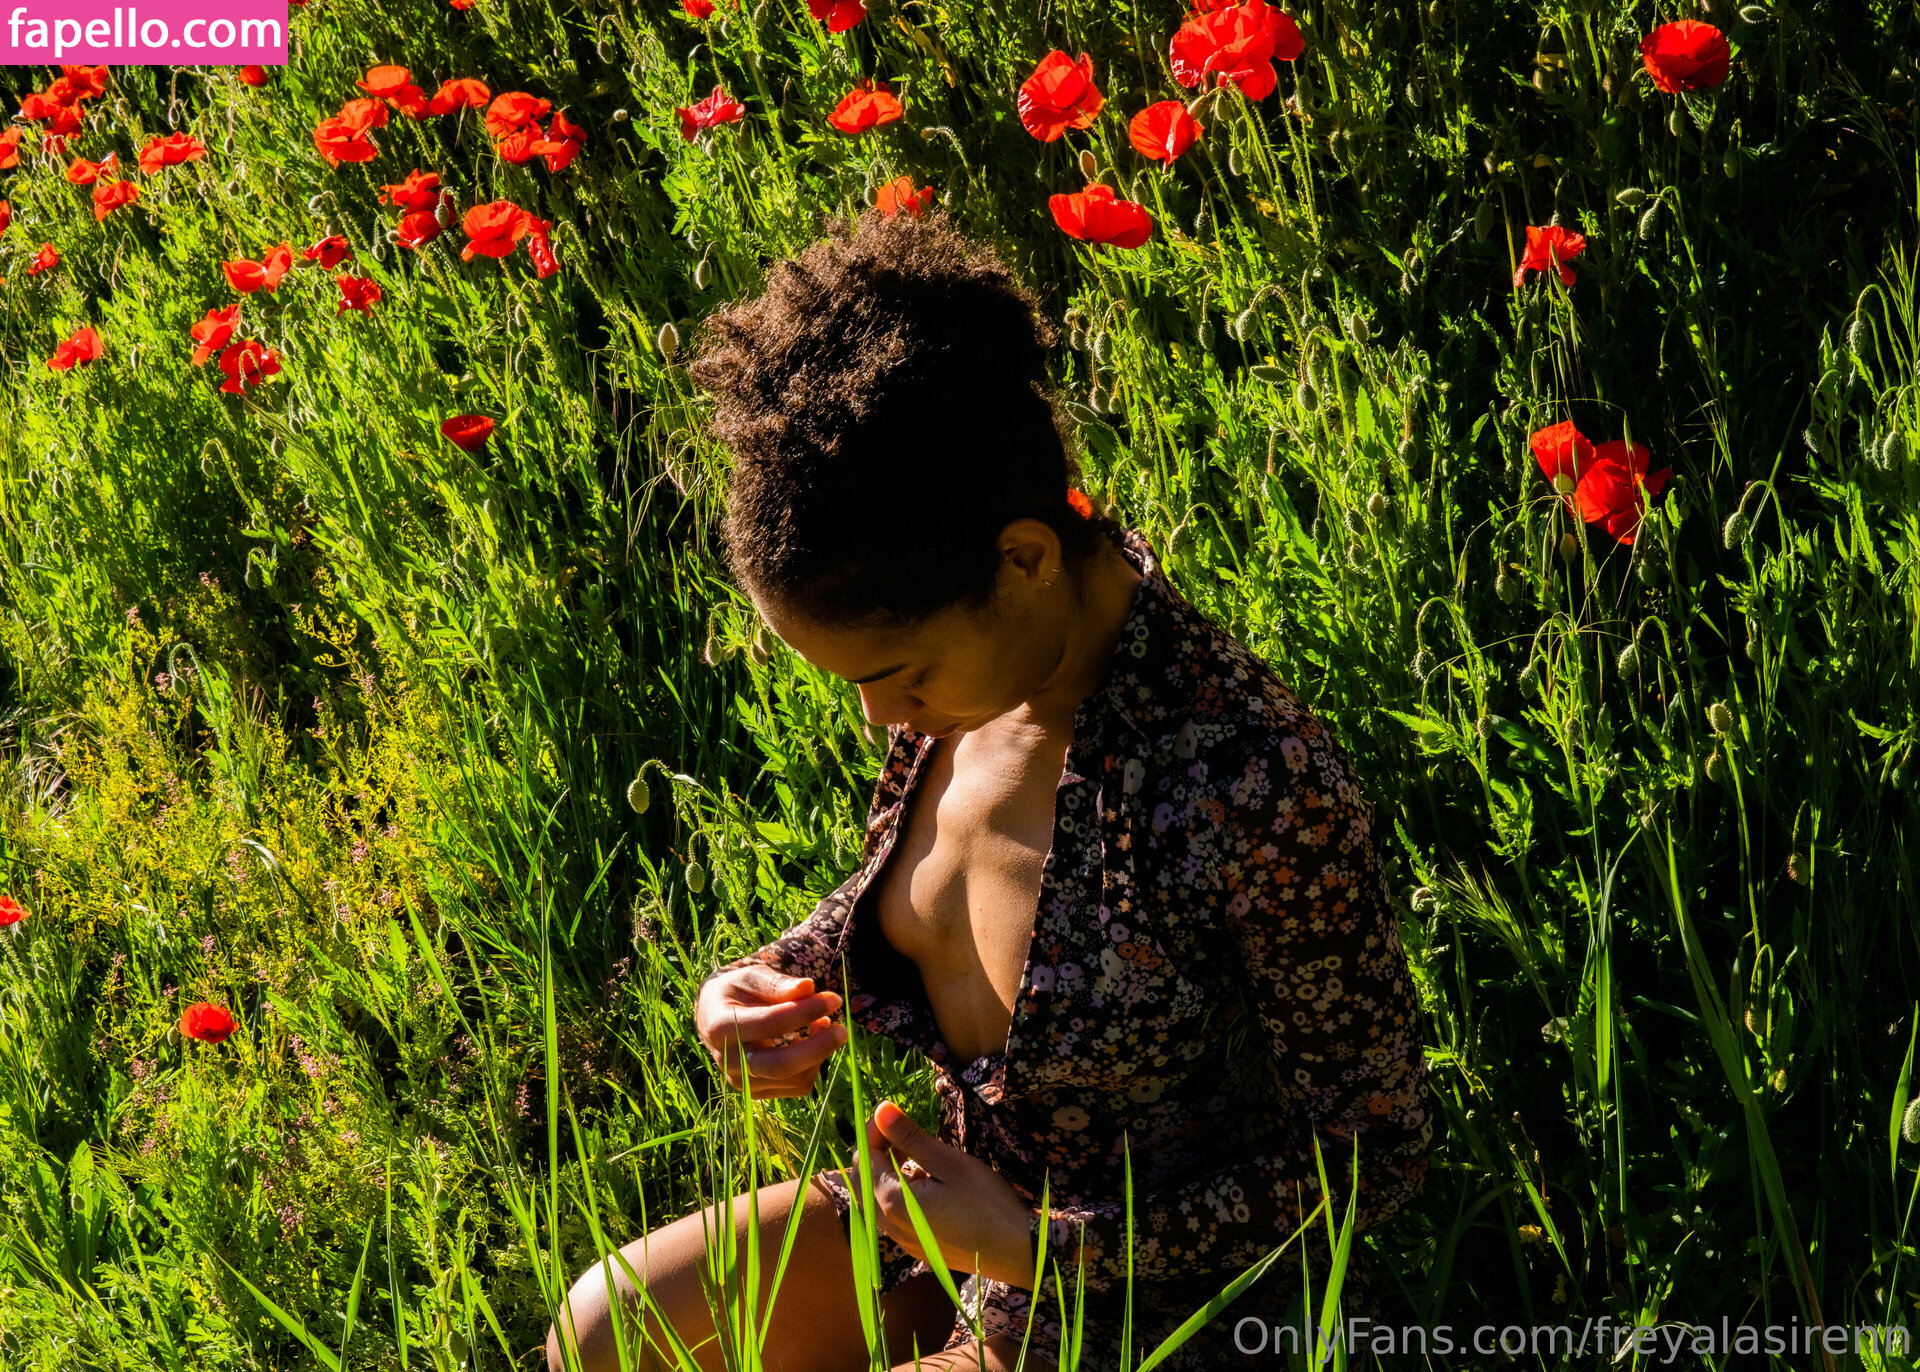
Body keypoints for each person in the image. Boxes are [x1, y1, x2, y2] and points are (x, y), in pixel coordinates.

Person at [545, 206, 1434, 1372]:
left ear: (1024, 560)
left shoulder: (1243, 776)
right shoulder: (978, 682)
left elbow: (1376, 1149)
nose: (879, 717)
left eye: (895, 674)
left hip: (1160, 1304)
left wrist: (1039, 1245)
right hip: (961, 1225)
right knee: (607, 1329)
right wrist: (770, 984)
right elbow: (929, 900)